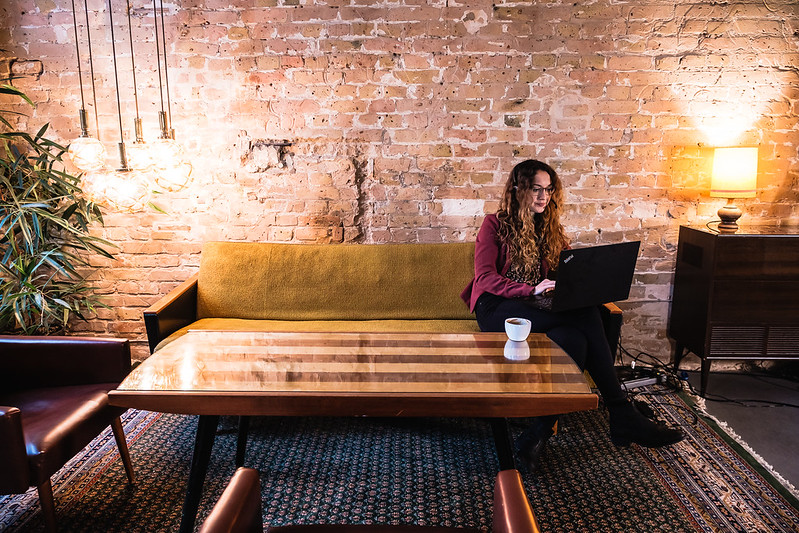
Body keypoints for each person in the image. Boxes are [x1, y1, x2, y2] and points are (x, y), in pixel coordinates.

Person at [461, 159, 683, 471]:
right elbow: (485, 279)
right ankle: (620, 410)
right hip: (498, 308)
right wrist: (532, 291)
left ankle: (537, 434)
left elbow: (564, 277)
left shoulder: (550, 229)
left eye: (549, 190)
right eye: (536, 189)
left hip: (537, 307)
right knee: (586, 316)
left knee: (574, 340)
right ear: (518, 190)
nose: (543, 197)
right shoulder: (494, 224)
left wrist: (578, 285)